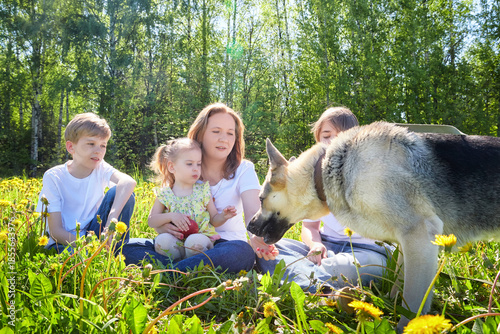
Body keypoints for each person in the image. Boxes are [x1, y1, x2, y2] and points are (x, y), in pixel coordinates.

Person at [122, 103, 277, 273]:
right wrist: (161, 227)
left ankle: (169, 272)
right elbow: (162, 211)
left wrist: (256, 237)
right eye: (216, 131)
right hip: (178, 242)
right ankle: (183, 271)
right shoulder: (184, 165)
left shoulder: (244, 169)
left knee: (242, 253)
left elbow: (253, 212)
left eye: (230, 133)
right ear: (200, 134)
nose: (224, 139)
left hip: (223, 244)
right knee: (128, 247)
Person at [256, 107, 390, 292]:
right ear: (318, 141)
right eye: (327, 136)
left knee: (345, 267)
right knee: (267, 250)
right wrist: (315, 244)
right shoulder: (311, 181)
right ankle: (319, 284)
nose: (334, 141)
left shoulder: (369, 173)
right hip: (326, 247)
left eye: (342, 136)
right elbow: (310, 228)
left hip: (366, 252)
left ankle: (306, 282)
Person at [36, 112, 136, 253]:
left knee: (121, 193)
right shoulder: (54, 176)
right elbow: (56, 232)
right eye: (91, 144)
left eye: (103, 145)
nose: (98, 151)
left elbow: (128, 182)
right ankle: (106, 255)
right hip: (64, 242)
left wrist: (112, 220)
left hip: (94, 233)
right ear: (71, 147)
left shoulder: (100, 166)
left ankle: (114, 251)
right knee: (79, 258)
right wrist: (90, 246)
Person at [148, 138, 237, 260]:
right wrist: (171, 216)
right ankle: (176, 267)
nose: (196, 168)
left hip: (200, 237)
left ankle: (190, 269)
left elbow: (214, 219)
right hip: (176, 241)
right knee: (162, 240)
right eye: (189, 164)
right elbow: (152, 221)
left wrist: (224, 216)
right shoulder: (165, 194)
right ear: (171, 167)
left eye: (198, 164)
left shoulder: (203, 191)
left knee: (194, 242)